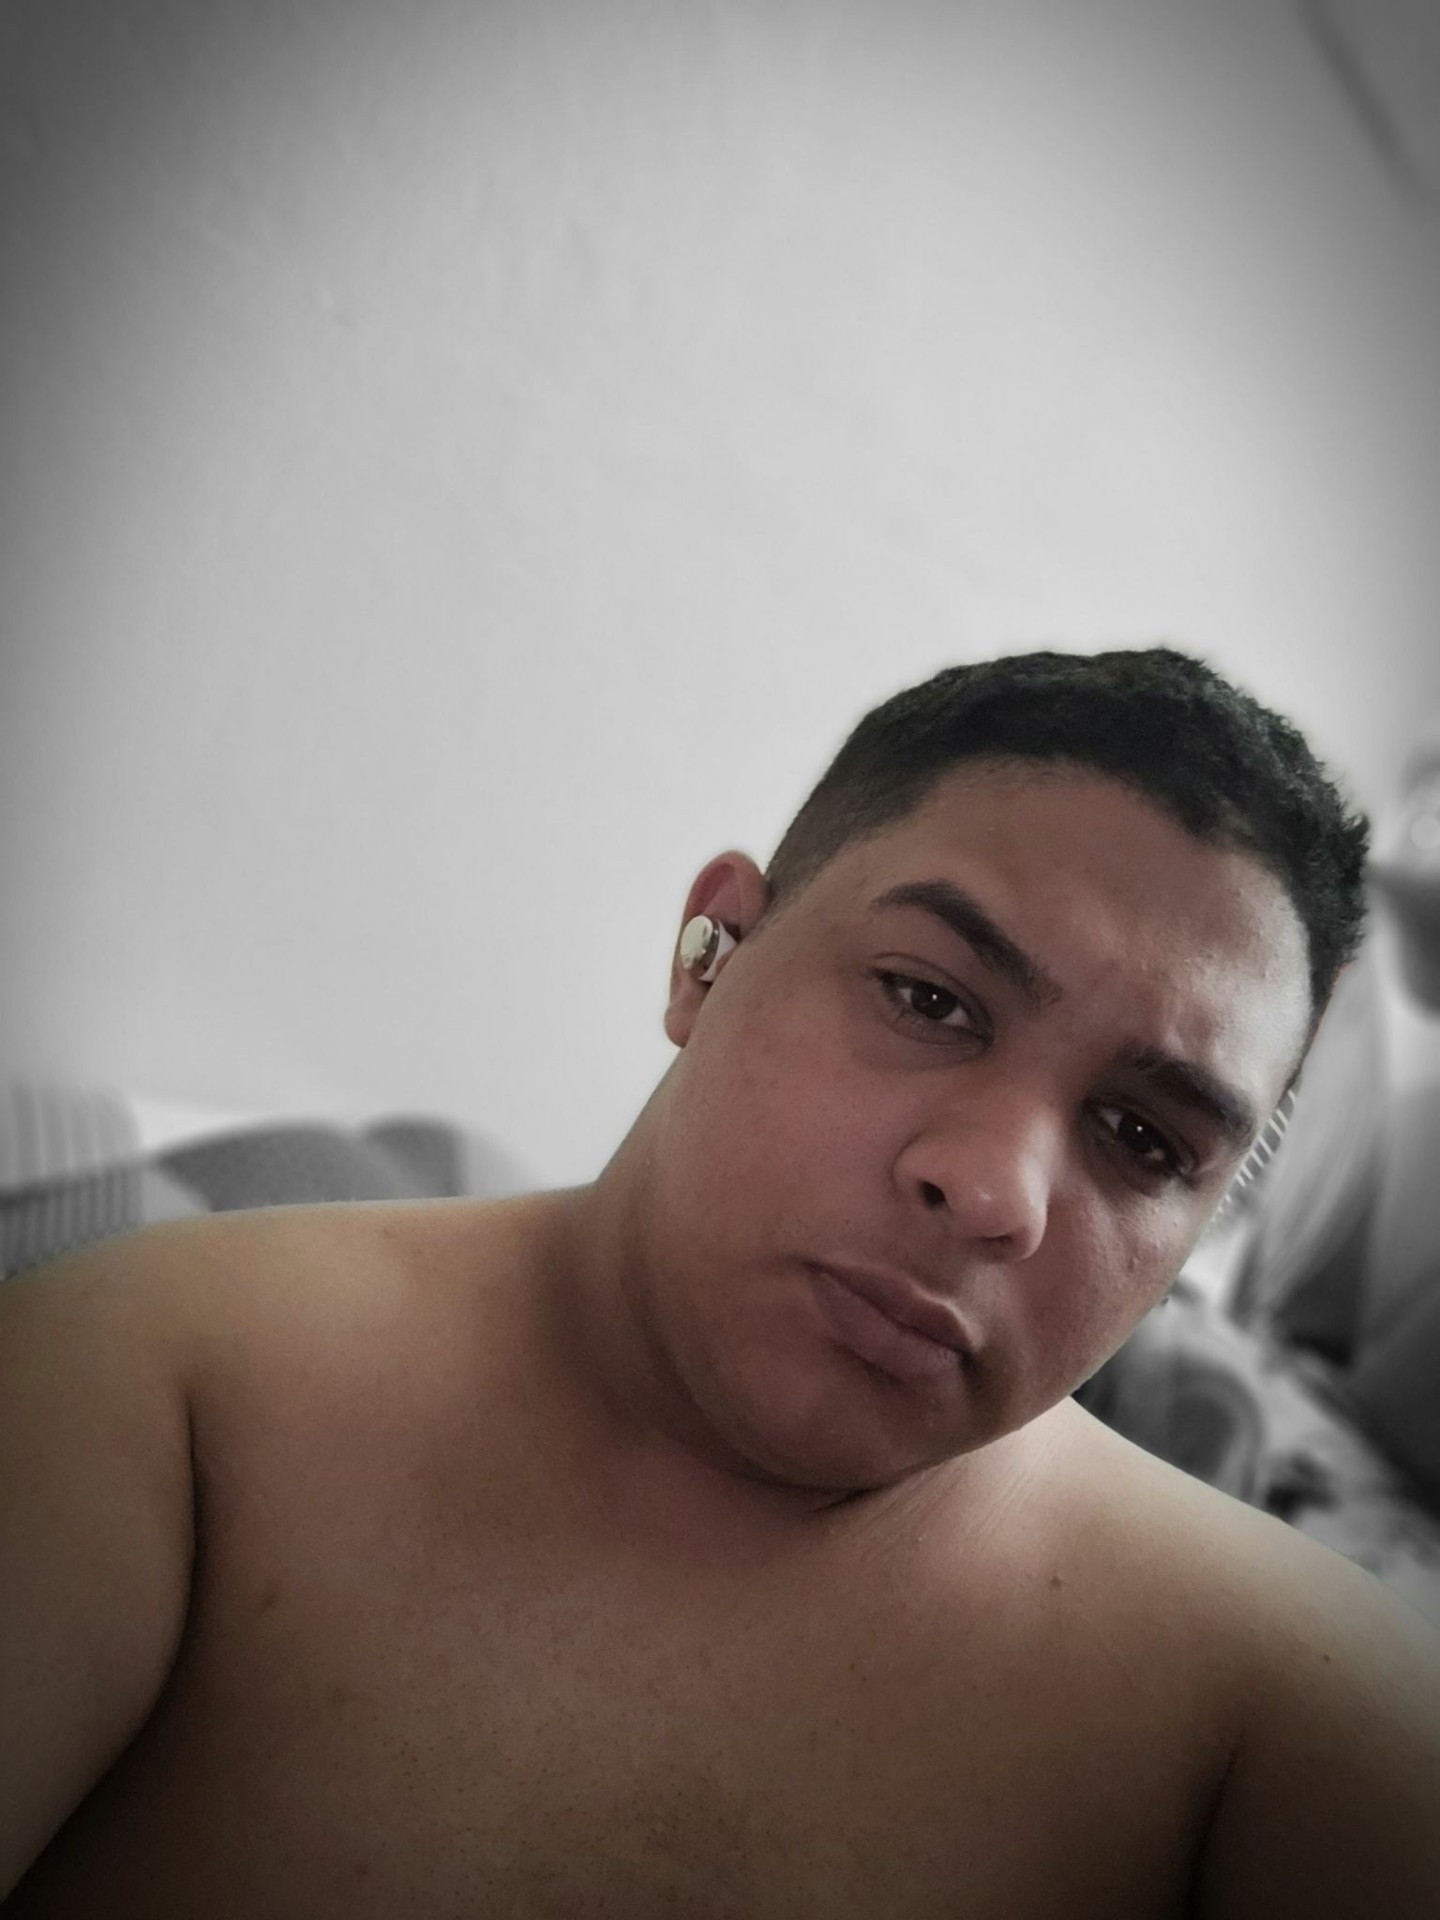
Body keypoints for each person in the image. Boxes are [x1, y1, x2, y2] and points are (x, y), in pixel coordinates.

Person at [3, 647, 1438, 1917]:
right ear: (712, 954)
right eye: (929, 1000)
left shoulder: (1300, 1721)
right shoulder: (153, 1394)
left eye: (1144, 1139)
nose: (995, 1192)